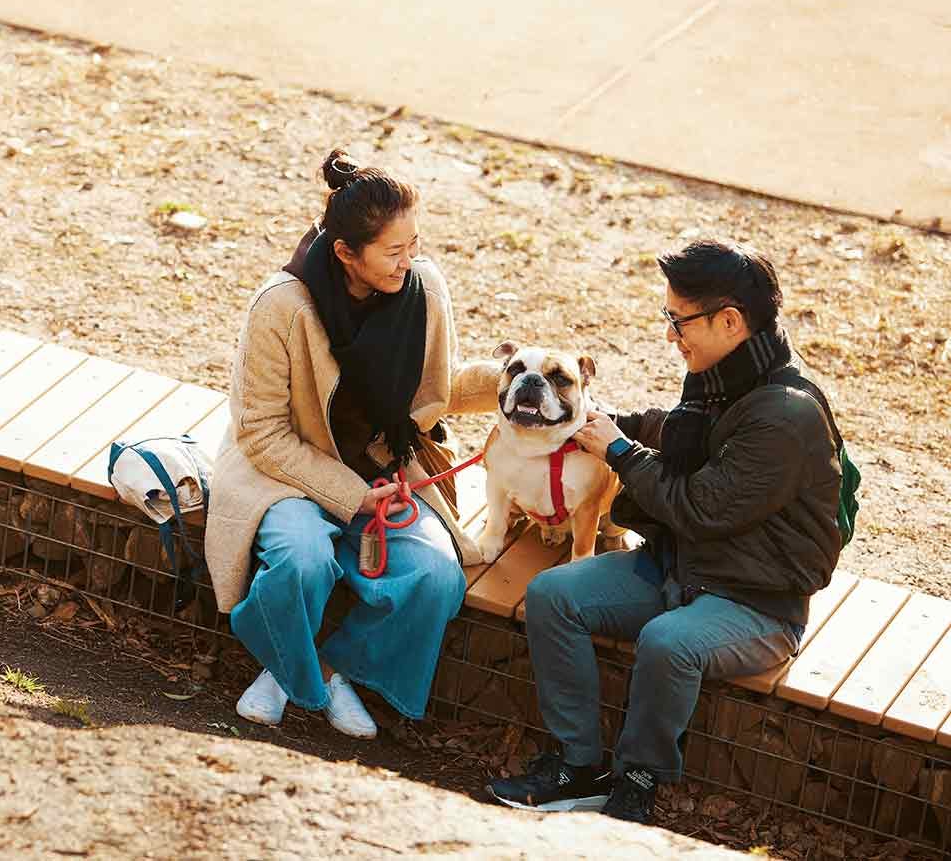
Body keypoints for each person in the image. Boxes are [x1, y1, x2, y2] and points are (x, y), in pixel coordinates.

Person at [485, 239, 843, 823]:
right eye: (668, 319)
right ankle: (576, 764)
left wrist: (620, 452)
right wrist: (594, 422)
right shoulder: (722, 375)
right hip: (685, 570)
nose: (671, 335)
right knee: (552, 594)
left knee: (668, 643)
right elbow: (674, 432)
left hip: (755, 602)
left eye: (679, 321)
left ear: (729, 321)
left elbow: (701, 507)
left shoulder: (786, 414)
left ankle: (637, 781)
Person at [203, 148, 496, 739]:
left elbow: (433, 394)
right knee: (301, 557)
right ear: (345, 253)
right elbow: (261, 431)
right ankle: (296, 674)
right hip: (281, 471)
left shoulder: (424, 288)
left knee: (438, 577)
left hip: (388, 471)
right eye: (393, 251)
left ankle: (324, 669)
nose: (409, 262)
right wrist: (349, 493)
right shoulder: (281, 306)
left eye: (414, 244)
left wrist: (516, 383)